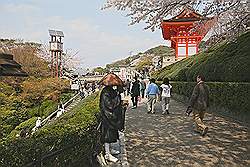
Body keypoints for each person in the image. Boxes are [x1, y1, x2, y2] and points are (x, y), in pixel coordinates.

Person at [99, 73, 124, 163]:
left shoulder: (109, 90)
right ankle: (107, 154)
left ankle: (110, 150)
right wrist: (118, 97)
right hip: (107, 116)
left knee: (111, 134)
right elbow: (110, 105)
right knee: (107, 135)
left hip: (110, 116)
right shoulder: (106, 92)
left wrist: (118, 94)